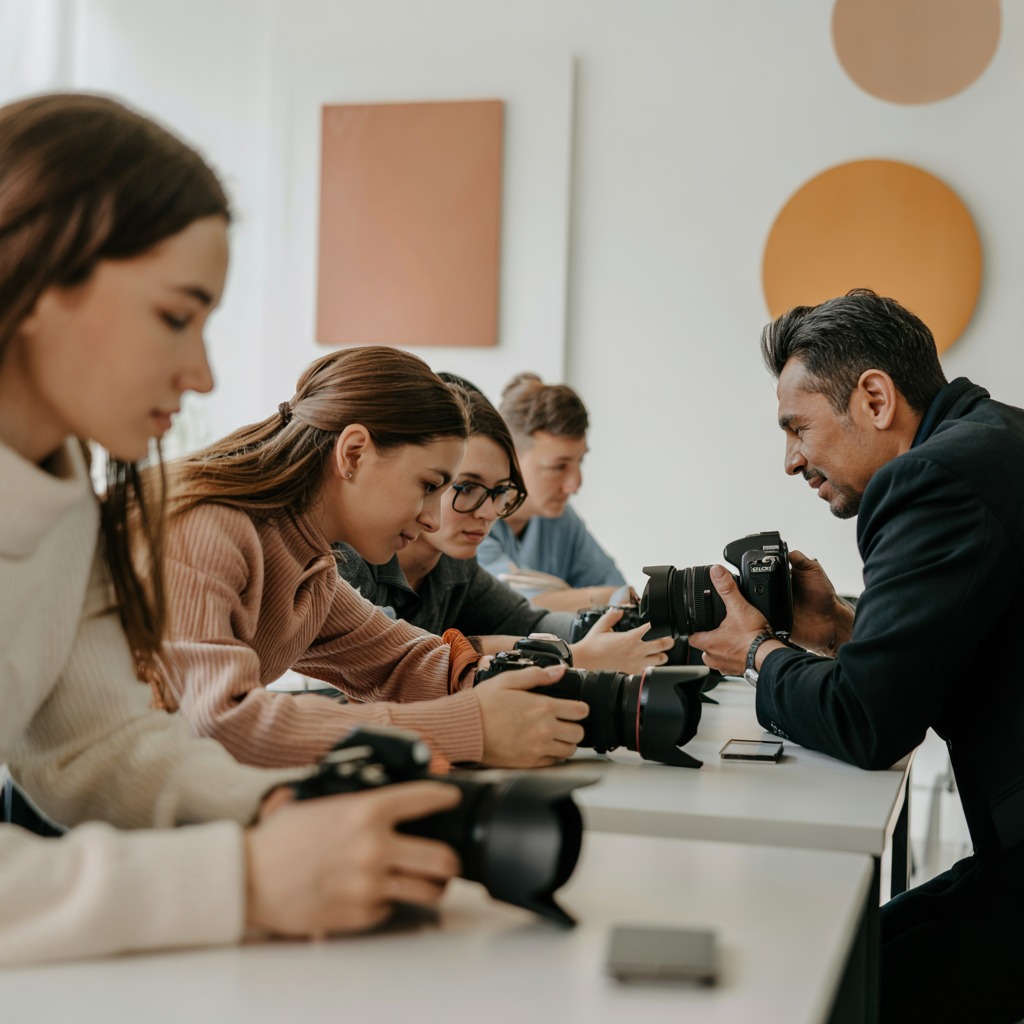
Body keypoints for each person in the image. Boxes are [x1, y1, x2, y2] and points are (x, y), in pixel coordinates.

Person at [0, 92, 468, 964]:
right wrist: (242, 879)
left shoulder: (69, 510)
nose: (204, 373)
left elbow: (101, 747)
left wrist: (272, 814)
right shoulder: (196, 525)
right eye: (177, 316)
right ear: (35, 275)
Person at [690, 289, 1024, 1024]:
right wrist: (838, 626)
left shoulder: (930, 480)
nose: (790, 461)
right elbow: (957, 651)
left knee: (823, 987)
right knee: (850, 958)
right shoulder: (993, 440)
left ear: (875, 397)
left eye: (796, 428)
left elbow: (868, 721)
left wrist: (754, 654)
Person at [159, 347, 585, 771]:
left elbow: (401, 664)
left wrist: (516, 684)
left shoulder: (312, 569)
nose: (433, 519)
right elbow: (216, 725)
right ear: (354, 453)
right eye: (428, 485)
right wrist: (464, 727)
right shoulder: (207, 530)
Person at [334, 376, 673, 674]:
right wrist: (572, 656)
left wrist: (620, 632)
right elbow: (400, 663)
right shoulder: (345, 560)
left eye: (500, 492)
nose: (489, 513)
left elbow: (532, 622)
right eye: (466, 488)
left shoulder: (456, 567)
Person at [476, 372, 628, 612]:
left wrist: (600, 596)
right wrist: (603, 597)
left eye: (580, 461)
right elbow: (510, 606)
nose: (575, 484)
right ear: (510, 455)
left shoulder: (561, 520)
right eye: (558, 466)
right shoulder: (472, 519)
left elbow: (622, 594)